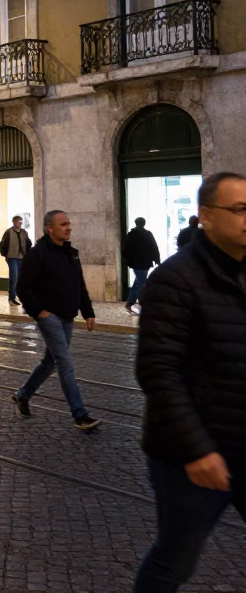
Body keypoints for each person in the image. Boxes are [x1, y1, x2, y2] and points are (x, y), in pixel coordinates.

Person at [133, 172, 246, 592]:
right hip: (188, 457)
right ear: (206, 217)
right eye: (239, 209)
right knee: (175, 560)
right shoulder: (174, 279)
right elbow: (157, 371)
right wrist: (198, 451)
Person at [12, 210, 100, 430]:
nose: (69, 227)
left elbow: (79, 285)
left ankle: (23, 395)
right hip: (49, 316)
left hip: (67, 315)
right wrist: (39, 312)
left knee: (50, 362)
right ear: (49, 228)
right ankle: (80, 414)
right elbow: (22, 287)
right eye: (63, 224)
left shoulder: (71, 253)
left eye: (69, 224)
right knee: (65, 363)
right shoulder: (38, 253)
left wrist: (88, 312)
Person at [123, 216, 162, 314]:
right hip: (145, 263)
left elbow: (126, 249)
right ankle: (142, 303)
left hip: (135, 263)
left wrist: (125, 260)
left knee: (138, 282)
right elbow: (154, 247)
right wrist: (157, 260)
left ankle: (130, 303)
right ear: (143, 224)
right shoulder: (148, 234)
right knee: (142, 283)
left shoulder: (131, 234)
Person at [0, 215, 33, 306]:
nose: (20, 224)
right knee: (13, 277)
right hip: (12, 257)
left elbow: (28, 243)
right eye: (19, 222)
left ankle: (20, 295)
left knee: (20, 277)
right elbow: (3, 244)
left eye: (21, 222)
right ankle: (11, 298)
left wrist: (27, 253)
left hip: (22, 257)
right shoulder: (8, 232)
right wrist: (6, 254)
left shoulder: (24, 232)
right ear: (14, 222)